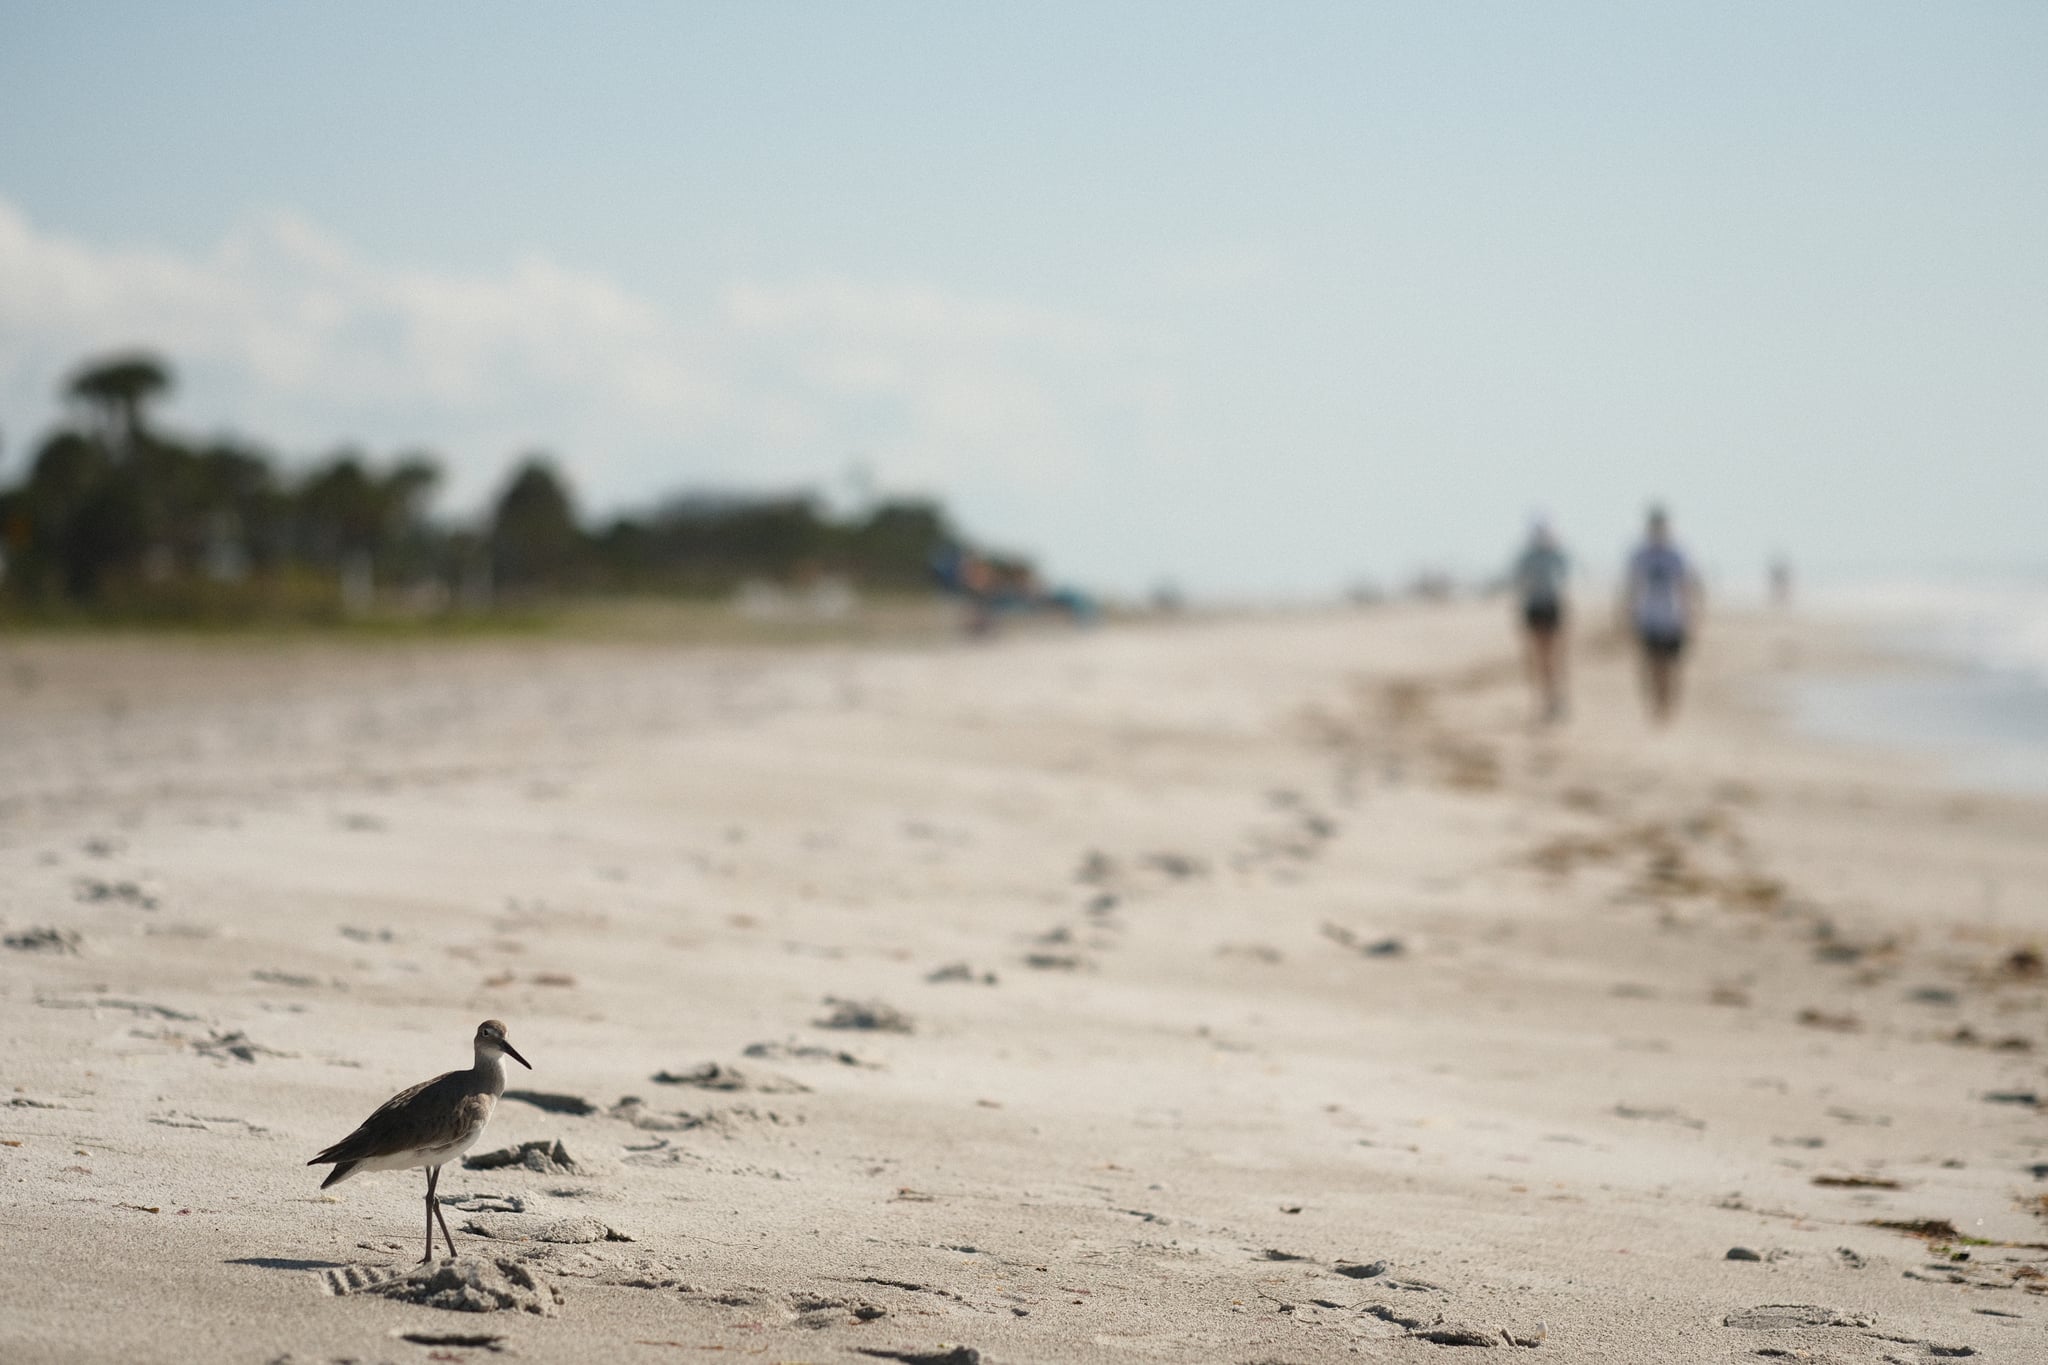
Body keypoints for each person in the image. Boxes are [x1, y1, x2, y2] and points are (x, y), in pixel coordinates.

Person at [1622, 506, 1701, 723]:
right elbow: (1632, 587)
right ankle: (1658, 703)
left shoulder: (1677, 554)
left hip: (1673, 619)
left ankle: (1667, 703)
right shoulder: (1640, 554)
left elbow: (1686, 586)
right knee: (1653, 664)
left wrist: (1691, 617)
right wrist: (1628, 615)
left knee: (1672, 665)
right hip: (1648, 618)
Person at [1510, 519, 1570, 722]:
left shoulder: (1556, 554)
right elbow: (1520, 584)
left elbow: (1563, 581)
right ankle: (1544, 701)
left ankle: (1555, 699)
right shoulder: (1528, 557)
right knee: (1538, 658)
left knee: (1553, 657)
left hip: (1551, 607)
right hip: (1536, 607)